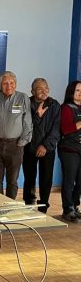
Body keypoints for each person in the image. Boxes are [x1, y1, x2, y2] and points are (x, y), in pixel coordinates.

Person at [0, 70, 32, 199]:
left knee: (12, 180)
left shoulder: (23, 98)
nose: (9, 86)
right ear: (0, 85)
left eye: (11, 83)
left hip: (15, 145)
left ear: (15, 84)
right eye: (5, 83)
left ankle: (10, 205)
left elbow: (27, 121)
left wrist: (23, 141)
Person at [22, 78, 61, 213]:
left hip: (47, 149)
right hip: (29, 147)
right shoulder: (26, 103)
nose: (44, 91)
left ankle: (43, 205)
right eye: (40, 89)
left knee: (46, 178)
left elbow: (56, 129)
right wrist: (38, 115)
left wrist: (45, 146)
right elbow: (26, 127)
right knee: (29, 177)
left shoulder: (54, 105)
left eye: (46, 88)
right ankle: (29, 203)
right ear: (33, 91)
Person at [57, 80, 81, 222]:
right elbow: (65, 129)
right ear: (71, 92)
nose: (80, 93)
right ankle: (67, 209)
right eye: (77, 90)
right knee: (69, 180)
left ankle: (75, 206)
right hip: (69, 149)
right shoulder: (66, 108)